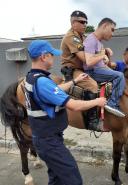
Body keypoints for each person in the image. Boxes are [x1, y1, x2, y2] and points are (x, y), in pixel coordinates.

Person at [25, 40, 107, 185]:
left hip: (44, 138)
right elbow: (74, 105)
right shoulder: (42, 81)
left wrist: (74, 81)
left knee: (56, 178)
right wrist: (97, 102)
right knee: (73, 179)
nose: (54, 58)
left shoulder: (32, 77)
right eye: (51, 55)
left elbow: (55, 91)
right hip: (49, 141)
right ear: (44, 56)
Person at [60, 10, 103, 131]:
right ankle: (92, 121)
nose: (85, 25)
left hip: (83, 68)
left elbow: (94, 50)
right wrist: (101, 55)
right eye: (82, 22)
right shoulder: (71, 37)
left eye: (86, 22)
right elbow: (85, 58)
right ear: (73, 23)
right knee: (93, 85)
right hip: (73, 70)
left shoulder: (82, 37)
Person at [83, 18, 126, 117]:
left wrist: (104, 53)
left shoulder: (99, 42)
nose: (113, 34)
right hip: (92, 71)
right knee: (119, 76)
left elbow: (98, 59)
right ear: (105, 26)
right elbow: (89, 62)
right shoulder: (91, 39)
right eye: (112, 30)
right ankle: (112, 104)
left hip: (99, 70)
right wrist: (102, 56)